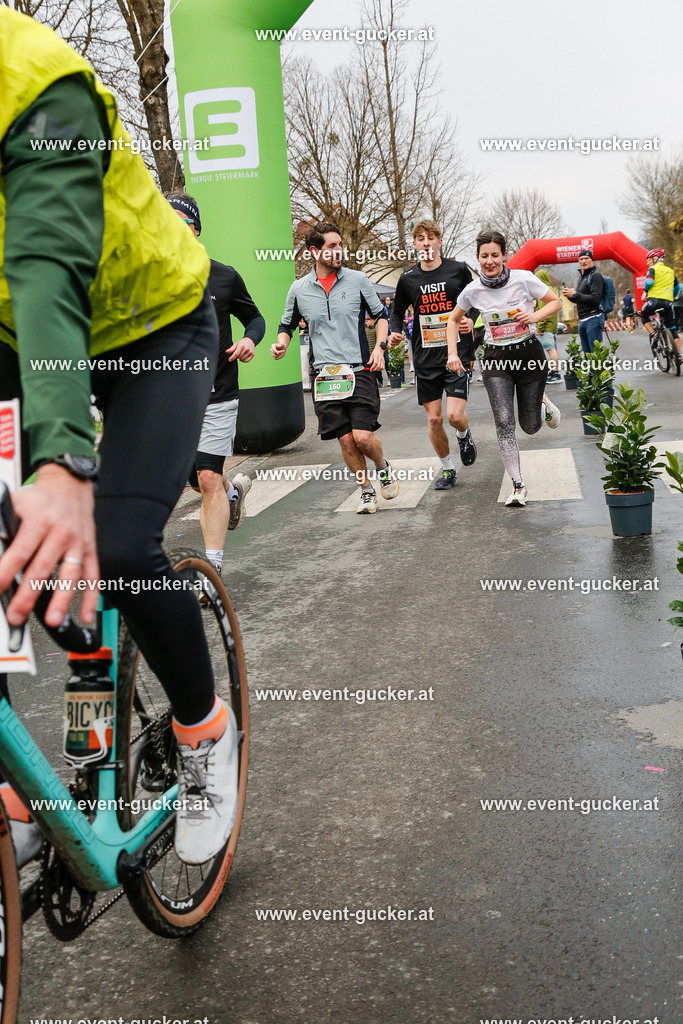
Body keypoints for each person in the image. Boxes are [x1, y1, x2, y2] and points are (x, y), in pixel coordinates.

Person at [0, 7, 237, 866]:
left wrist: (64, 458)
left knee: (117, 542)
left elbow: (46, 263)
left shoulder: (31, 78)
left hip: (154, 331)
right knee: (20, 555)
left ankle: (205, 732)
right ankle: (25, 788)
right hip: (14, 338)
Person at [167, 193, 264, 575]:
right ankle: (234, 493)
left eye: (178, 221)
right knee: (196, 481)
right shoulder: (151, 277)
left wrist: (248, 340)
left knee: (208, 477)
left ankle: (213, 569)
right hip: (171, 398)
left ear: (195, 229)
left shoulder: (223, 276)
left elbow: (254, 318)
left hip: (217, 393)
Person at [272, 223, 399, 514]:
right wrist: (281, 344)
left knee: (363, 437)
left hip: (359, 370)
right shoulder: (299, 289)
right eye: (331, 246)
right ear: (314, 251)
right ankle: (366, 490)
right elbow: (286, 325)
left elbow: (381, 316)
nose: (338, 250)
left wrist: (380, 347)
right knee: (345, 439)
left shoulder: (357, 280)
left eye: (339, 244)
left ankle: (382, 466)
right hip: (325, 377)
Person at [446, 230, 562, 508]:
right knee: (504, 423)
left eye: (494, 255)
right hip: (497, 359)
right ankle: (518, 486)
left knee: (530, 426)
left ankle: (543, 405)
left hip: (529, 357)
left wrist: (533, 316)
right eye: (484, 256)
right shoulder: (473, 290)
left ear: (504, 256)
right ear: (478, 258)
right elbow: (453, 320)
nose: (489, 261)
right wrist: (452, 353)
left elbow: (555, 302)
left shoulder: (523, 279)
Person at [389, 220, 477, 490]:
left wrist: (471, 319)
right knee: (434, 418)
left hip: (455, 353)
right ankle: (449, 469)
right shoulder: (408, 279)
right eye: (420, 239)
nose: (426, 243)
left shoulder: (458, 270)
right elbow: (396, 311)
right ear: (414, 245)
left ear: (439, 242)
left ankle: (464, 435)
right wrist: (395, 331)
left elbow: (476, 299)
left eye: (430, 238)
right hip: (425, 357)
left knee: (453, 416)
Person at [640, 248, 681, 362]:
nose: (647, 262)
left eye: (648, 259)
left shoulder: (652, 269)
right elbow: (677, 287)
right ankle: (678, 356)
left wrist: (645, 292)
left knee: (642, 315)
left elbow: (649, 282)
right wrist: (671, 296)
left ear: (655, 259)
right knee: (672, 330)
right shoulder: (671, 271)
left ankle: (654, 334)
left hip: (654, 301)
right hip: (668, 302)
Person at [561, 249, 605, 354]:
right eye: (581, 259)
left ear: (592, 260)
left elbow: (595, 298)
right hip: (582, 320)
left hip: (593, 318)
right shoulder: (581, 277)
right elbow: (581, 300)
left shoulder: (595, 276)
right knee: (587, 355)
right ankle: (591, 371)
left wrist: (575, 294)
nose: (583, 261)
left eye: (586, 258)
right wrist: (569, 295)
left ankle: (599, 370)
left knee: (596, 354)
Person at [534, 268, 562, 383]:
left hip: (546, 327)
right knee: (553, 349)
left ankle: (554, 373)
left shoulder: (543, 293)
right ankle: (555, 371)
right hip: (552, 326)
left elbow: (542, 311)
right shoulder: (552, 290)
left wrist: (539, 328)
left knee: (550, 350)